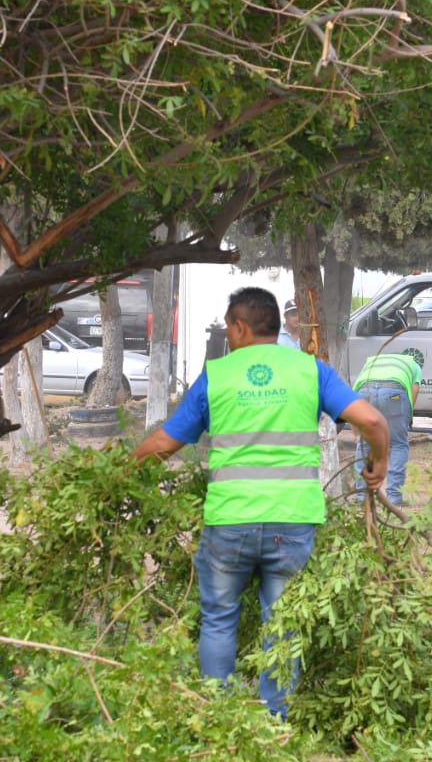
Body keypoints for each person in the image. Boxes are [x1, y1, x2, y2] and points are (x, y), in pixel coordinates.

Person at [132, 286, 389, 718]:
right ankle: (274, 724)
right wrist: (378, 465)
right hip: (292, 521)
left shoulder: (218, 375)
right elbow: (372, 420)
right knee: (283, 625)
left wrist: (119, 472)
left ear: (238, 325)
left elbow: (163, 443)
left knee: (218, 619)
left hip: (230, 521)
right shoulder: (312, 371)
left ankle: (219, 721)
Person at [351, 352, 422, 505]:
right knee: (398, 443)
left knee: (363, 443)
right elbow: (414, 390)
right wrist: (408, 415)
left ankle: (361, 497)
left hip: (365, 391)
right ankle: (394, 497)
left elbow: (357, 386)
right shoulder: (413, 364)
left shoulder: (372, 360)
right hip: (394, 393)